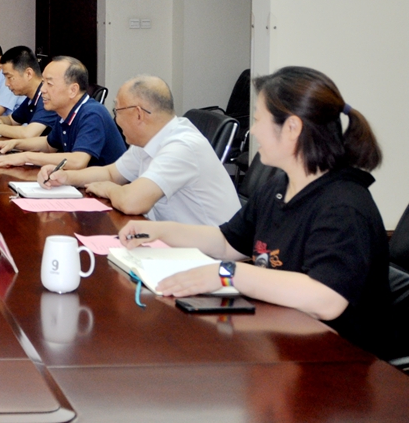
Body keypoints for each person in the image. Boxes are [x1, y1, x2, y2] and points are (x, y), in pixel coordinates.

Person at [119, 66, 392, 359]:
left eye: (259, 119)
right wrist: (160, 231)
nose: (254, 130)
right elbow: (227, 242)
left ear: (292, 128)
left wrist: (227, 274)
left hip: (339, 362)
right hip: (282, 342)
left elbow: (326, 299)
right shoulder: (279, 186)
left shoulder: (343, 206)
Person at [37, 76, 240, 225]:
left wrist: (107, 189)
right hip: (171, 244)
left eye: (117, 111)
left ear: (138, 114)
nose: (115, 119)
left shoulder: (181, 147)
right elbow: (111, 173)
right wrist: (65, 177)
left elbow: (131, 202)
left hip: (209, 257)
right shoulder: (149, 140)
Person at [0, 56, 126, 168]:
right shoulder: (65, 113)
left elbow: (78, 161)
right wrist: (13, 144)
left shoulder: (92, 113)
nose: (42, 90)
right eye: (43, 83)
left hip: (107, 193)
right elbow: (48, 144)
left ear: (73, 90)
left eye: (49, 83)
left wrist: (26, 157)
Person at [0, 46, 60, 139]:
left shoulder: (46, 96)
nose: (6, 84)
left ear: (28, 74)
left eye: (9, 77)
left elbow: (28, 134)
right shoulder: (31, 98)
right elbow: (11, 120)